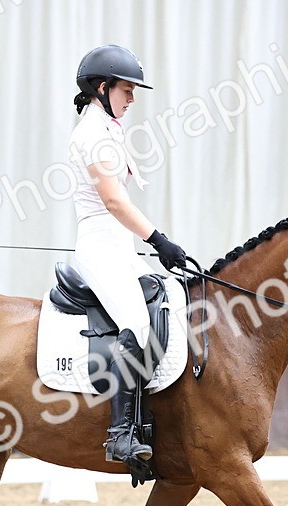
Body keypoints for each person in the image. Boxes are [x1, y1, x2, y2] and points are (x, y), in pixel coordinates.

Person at [68, 44, 187, 477]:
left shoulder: (109, 127)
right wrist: (159, 239)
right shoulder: (93, 134)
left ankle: (154, 418)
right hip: (102, 243)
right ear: (102, 88)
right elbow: (115, 203)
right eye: (126, 90)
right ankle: (121, 434)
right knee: (136, 325)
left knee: (172, 300)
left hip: (118, 244)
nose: (132, 98)